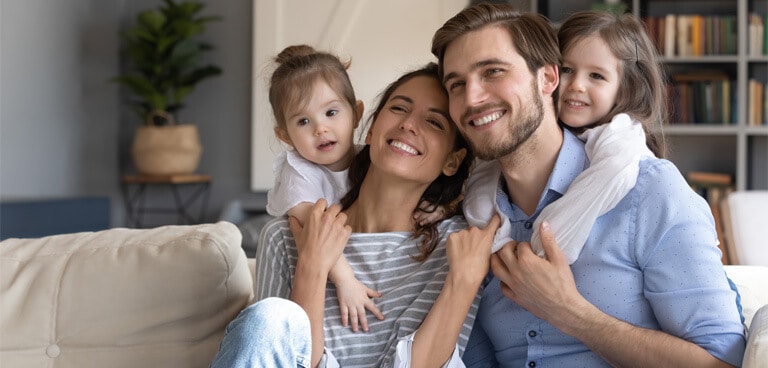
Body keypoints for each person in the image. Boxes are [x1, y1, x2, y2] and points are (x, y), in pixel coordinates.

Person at [431, 4, 746, 367]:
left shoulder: (648, 191)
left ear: (548, 79)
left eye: (493, 71)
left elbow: (723, 362)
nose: (472, 98)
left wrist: (569, 312)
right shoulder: (472, 219)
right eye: (456, 84)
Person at [210, 63, 499, 367]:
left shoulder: (456, 247)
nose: (409, 125)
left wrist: (463, 282)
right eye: (400, 108)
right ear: (372, 129)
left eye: (434, 122)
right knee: (269, 318)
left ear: (452, 162)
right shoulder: (284, 235)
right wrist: (312, 266)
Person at [265, 45, 448, 332]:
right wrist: (346, 281)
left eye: (331, 112)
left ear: (357, 113)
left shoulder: (370, 155)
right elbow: (316, 233)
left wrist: (436, 205)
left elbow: (400, 184)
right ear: (285, 136)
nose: (320, 129)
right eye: (303, 121)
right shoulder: (297, 173)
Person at [462, 10, 667, 261]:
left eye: (596, 76)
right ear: (548, 76)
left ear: (624, 91)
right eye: (567, 69)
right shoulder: (505, 158)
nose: (577, 85)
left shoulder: (623, 146)